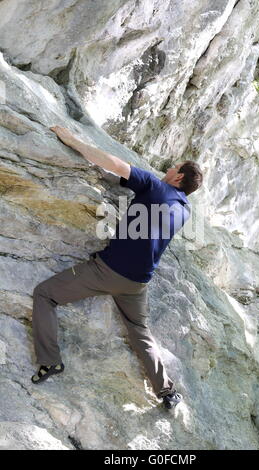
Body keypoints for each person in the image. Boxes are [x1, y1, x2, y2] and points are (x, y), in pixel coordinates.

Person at [31, 126, 203, 410]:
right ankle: (167, 392)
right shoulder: (185, 210)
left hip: (107, 272)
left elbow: (112, 163)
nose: (168, 168)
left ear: (179, 176)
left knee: (44, 295)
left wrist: (71, 139)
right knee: (139, 332)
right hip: (138, 284)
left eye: (173, 166)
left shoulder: (155, 186)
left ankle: (50, 362)